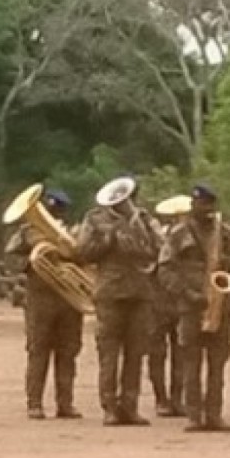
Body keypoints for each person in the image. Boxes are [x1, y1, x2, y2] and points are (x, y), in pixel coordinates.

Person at [77, 177, 161, 426]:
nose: (124, 203)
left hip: (140, 291)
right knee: (109, 352)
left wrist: (138, 236)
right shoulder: (94, 220)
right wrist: (108, 239)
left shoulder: (145, 220)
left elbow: (160, 249)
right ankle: (110, 407)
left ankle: (130, 406)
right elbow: (83, 252)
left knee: (136, 352)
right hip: (110, 292)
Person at [157, 185, 230, 432]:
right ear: (193, 206)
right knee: (190, 363)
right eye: (202, 205)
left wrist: (228, 264)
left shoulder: (224, 233)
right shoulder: (178, 233)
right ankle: (194, 415)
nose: (207, 210)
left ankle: (214, 414)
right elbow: (164, 269)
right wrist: (186, 293)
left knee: (218, 364)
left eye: (210, 205)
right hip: (190, 307)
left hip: (219, 305)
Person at [5, 188, 83, 420]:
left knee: (68, 351)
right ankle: (35, 403)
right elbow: (11, 257)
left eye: (58, 209)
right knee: (38, 351)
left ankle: (65, 404)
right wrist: (33, 261)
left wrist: (70, 254)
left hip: (69, 300)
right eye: (49, 209)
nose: (54, 213)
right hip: (40, 299)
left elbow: (87, 258)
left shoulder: (75, 233)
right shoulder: (27, 233)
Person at [149, 208, 185, 418]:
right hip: (156, 301)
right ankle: (160, 398)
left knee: (181, 353)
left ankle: (177, 398)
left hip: (178, 301)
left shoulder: (186, 237)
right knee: (157, 353)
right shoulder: (155, 237)